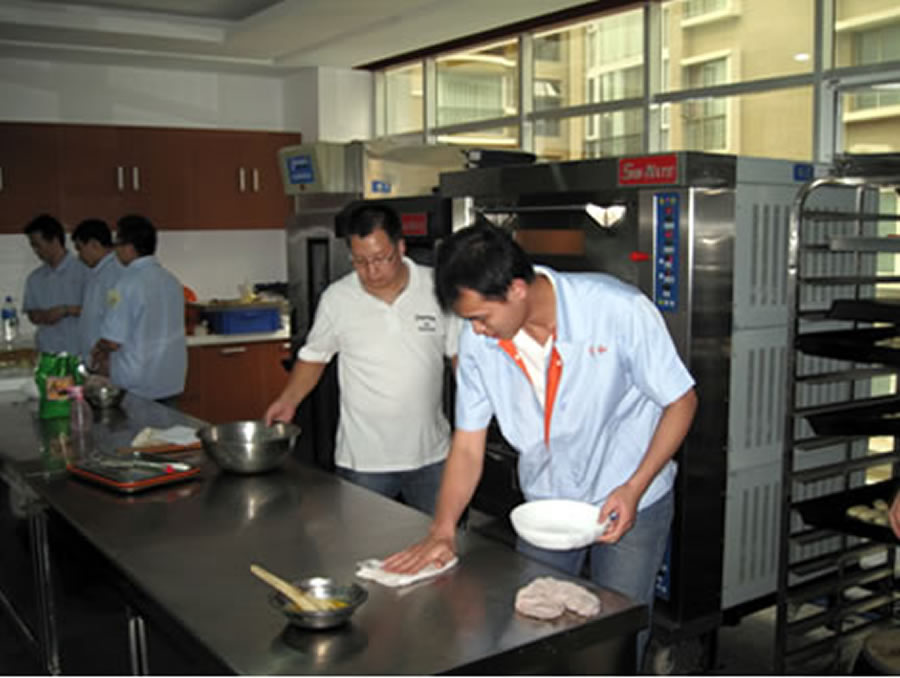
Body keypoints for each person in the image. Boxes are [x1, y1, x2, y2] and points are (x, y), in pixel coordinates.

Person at [383, 221, 698, 668]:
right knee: (530, 632)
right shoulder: (479, 344)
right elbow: (468, 445)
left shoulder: (617, 310)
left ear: (516, 290)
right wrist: (443, 529)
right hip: (548, 506)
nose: (476, 331)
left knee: (619, 636)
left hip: (630, 495)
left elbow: (681, 401)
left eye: (481, 317)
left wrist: (634, 487)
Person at [264, 203, 460, 515]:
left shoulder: (438, 288)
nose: (371, 271)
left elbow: (459, 358)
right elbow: (314, 357)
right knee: (363, 542)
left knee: (439, 540)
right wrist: (288, 400)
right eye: (360, 261)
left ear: (400, 247)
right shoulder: (338, 298)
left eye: (381, 258)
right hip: (364, 461)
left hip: (431, 455)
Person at [91, 214, 186, 404]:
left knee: (138, 425)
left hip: (138, 383)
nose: (115, 251)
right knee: (167, 424)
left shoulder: (126, 284)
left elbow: (112, 341)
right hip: (170, 379)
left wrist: (97, 350)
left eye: (117, 244)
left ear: (129, 247)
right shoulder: (172, 281)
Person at [22, 213, 88, 354]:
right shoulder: (35, 278)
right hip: (48, 352)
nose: (36, 251)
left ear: (55, 240)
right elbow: (32, 314)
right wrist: (43, 316)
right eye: (33, 246)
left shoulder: (85, 272)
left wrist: (65, 311)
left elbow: (98, 310)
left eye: (38, 245)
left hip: (79, 352)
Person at [71, 218, 124, 366]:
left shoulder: (113, 274)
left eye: (80, 248)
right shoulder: (99, 273)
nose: (79, 256)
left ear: (94, 244)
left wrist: (104, 356)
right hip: (96, 360)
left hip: (107, 361)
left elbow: (116, 316)